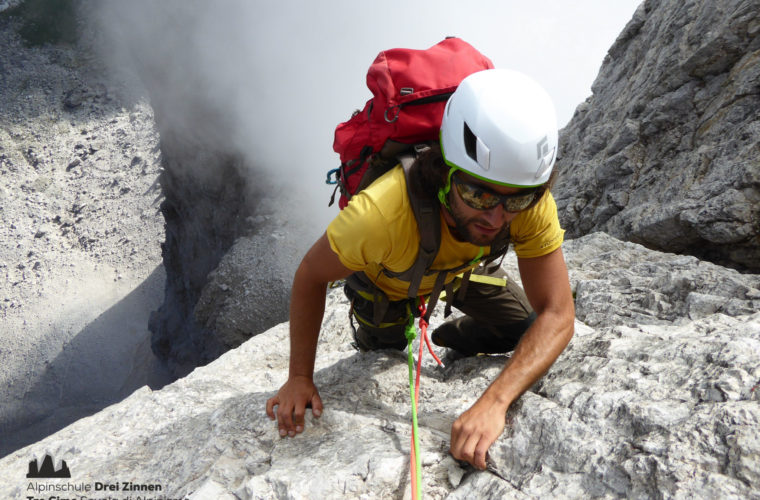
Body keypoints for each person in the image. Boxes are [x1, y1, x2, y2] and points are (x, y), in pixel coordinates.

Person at [265, 68, 575, 470]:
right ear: (445, 174)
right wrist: (299, 378)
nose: (497, 218)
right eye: (476, 193)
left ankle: (452, 335)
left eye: (514, 202)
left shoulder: (527, 201)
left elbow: (558, 313)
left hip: (459, 275)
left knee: (525, 328)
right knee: (385, 351)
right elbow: (311, 273)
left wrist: (494, 402)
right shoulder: (379, 215)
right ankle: (387, 328)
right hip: (387, 286)